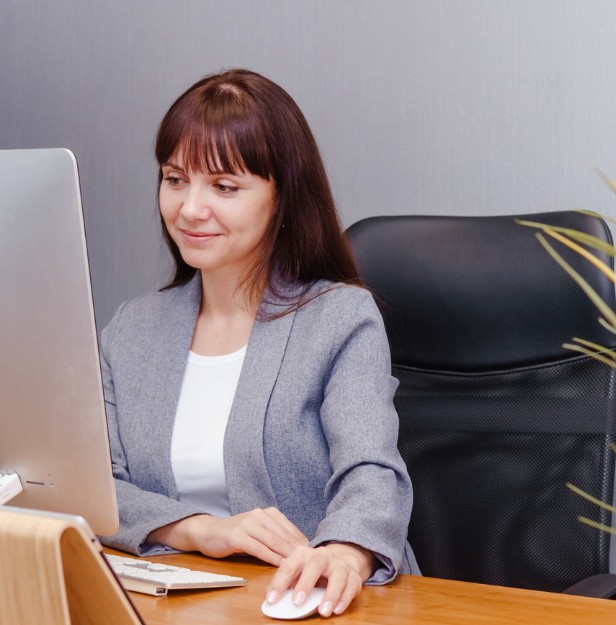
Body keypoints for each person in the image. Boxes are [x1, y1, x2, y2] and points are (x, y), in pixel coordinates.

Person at [98, 68, 418, 618]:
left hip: (316, 606)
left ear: (282, 199)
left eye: (224, 187)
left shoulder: (338, 318)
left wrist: (346, 550)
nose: (190, 208)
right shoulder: (133, 328)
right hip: (175, 605)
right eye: (175, 179)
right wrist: (203, 531)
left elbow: (372, 471)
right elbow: (95, 486)